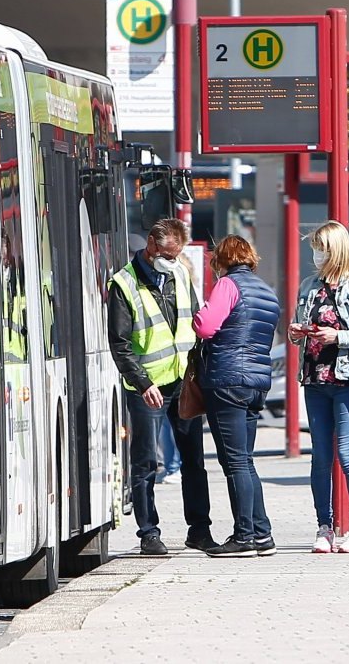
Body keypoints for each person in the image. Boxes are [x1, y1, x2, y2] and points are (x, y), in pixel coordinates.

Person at [108, 218, 213, 556]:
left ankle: (199, 529)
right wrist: (142, 383)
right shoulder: (123, 284)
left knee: (193, 460)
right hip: (148, 387)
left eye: (177, 254)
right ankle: (148, 533)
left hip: (183, 380)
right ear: (152, 246)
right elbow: (120, 343)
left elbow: (195, 318)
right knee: (145, 461)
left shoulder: (179, 273)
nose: (173, 259)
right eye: (168, 253)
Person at [287, 221, 349, 554]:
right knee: (320, 456)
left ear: (336, 249)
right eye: (314, 247)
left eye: (321, 247)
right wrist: (296, 332)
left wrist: (340, 337)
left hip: (345, 379)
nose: (316, 254)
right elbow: (295, 329)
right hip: (314, 379)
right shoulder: (308, 285)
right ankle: (324, 527)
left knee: (347, 453)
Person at [192, 235, 281, 557]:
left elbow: (206, 327)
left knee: (235, 463)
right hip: (256, 382)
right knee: (246, 460)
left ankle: (244, 535)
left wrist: (200, 313)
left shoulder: (228, 285)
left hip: (227, 380)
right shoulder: (266, 291)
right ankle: (262, 533)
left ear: (222, 260)